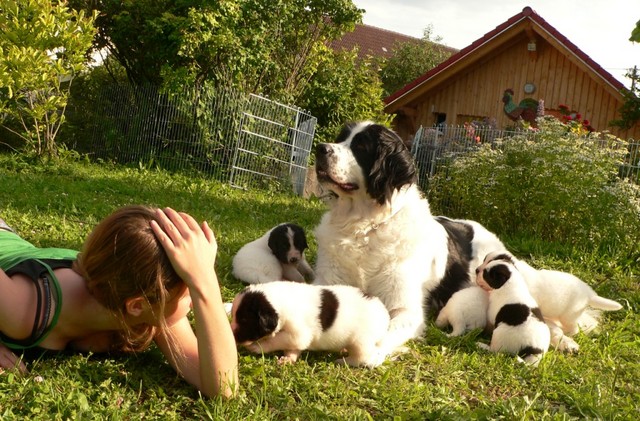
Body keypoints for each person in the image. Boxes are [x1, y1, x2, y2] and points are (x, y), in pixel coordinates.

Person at [0, 206, 238, 398]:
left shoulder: (150, 313)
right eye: (189, 294)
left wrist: (206, 282)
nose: (194, 303)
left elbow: (223, 387)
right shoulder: (26, 308)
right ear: (137, 305)